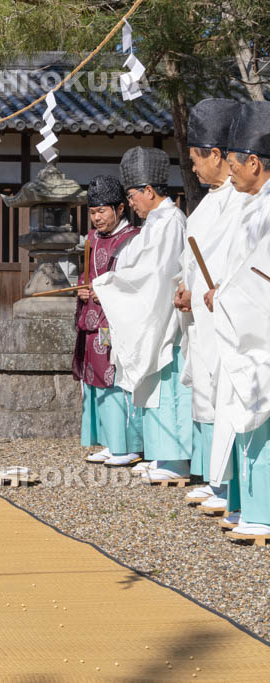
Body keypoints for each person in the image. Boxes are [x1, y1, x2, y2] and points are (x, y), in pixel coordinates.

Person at [91, 147, 193, 481]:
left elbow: (156, 276)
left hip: (165, 320)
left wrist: (109, 284)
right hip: (153, 315)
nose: (130, 202)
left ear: (149, 191)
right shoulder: (155, 222)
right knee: (153, 389)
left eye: (132, 195)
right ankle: (162, 453)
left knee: (168, 388)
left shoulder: (171, 222)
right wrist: (112, 282)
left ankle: (175, 459)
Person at [171, 98, 247, 505]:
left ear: (217, 154)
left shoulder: (243, 200)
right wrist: (187, 289)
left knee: (229, 395)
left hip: (231, 315)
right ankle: (219, 480)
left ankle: (233, 488)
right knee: (209, 392)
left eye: (197, 158)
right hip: (204, 314)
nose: (194, 167)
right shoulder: (212, 201)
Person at [207, 101, 270, 531]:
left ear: (253, 161)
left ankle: (262, 511)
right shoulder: (250, 205)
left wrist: (226, 294)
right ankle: (249, 506)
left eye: (233, 164)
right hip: (241, 319)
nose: (228, 173)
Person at [75, 176, 144, 466]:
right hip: (92, 317)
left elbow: (135, 280)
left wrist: (109, 293)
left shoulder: (133, 238)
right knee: (93, 379)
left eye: (102, 211)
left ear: (119, 209)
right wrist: (81, 287)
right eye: (92, 212)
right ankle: (107, 441)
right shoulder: (91, 239)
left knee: (116, 377)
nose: (97, 217)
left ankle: (128, 444)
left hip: (117, 319)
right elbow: (87, 274)